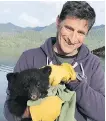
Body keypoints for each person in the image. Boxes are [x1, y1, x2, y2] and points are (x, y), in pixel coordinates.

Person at [4, 1, 105, 121]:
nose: (72, 39)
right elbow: (8, 110)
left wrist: (74, 81)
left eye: (81, 33)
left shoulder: (93, 64)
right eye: (69, 28)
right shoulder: (29, 58)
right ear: (58, 22)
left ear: (87, 33)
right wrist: (30, 113)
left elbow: (102, 113)